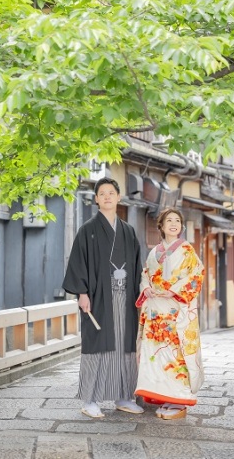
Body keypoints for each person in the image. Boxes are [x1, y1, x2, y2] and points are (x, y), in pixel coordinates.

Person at [62, 177, 144, 418]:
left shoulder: (128, 231)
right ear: (96, 199)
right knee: (97, 346)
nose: (107, 196)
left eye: (112, 192)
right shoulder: (87, 230)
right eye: (102, 193)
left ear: (119, 197)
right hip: (98, 298)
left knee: (124, 347)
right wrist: (82, 293)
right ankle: (89, 399)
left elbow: (138, 266)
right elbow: (78, 262)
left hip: (125, 296)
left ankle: (123, 396)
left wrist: (141, 295)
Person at [135, 208, 205, 420]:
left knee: (176, 353)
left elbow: (196, 274)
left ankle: (179, 400)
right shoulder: (154, 251)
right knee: (157, 354)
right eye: (169, 220)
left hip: (175, 308)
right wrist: (146, 288)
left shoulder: (187, 251)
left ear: (181, 226)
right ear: (162, 226)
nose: (173, 223)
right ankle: (166, 396)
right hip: (156, 309)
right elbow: (145, 273)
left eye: (177, 220)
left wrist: (172, 291)